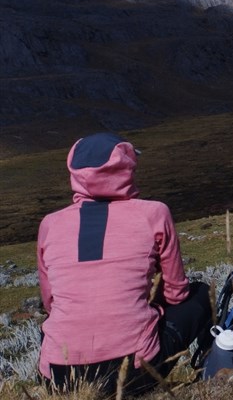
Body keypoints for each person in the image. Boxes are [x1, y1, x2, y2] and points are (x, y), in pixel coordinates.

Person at [37, 133, 212, 396]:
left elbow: (51, 304)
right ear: (126, 168)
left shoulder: (49, 224)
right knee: (202, 294)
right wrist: (146, 304)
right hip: (133, 373)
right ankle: (212, 374)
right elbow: (177, 293)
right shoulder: (154, 213)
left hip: (60, 377)